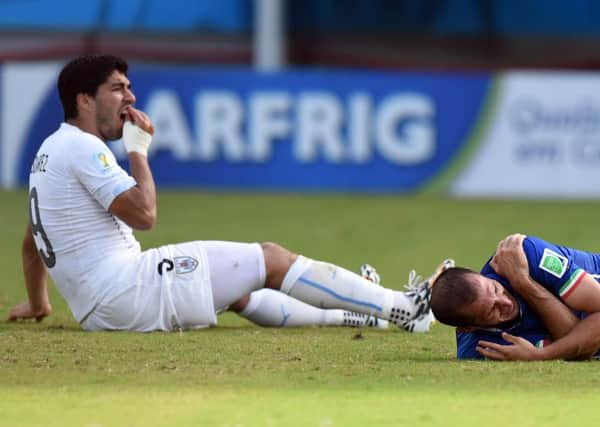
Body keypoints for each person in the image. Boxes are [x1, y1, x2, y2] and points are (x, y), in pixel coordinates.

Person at [9, 54, 447, 333]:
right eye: (118, 88)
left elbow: (33, 243)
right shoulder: (86, 149)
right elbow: (144, 215)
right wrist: (138, 153)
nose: (131, 95)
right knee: (271, 258)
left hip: (101, 307)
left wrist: (38, 302)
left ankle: (357, 314)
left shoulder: (49, 153)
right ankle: (400, 307)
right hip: (127, 292)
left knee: (236, 291)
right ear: (84, 100)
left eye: (129, 85)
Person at [430, 233, 600, 361]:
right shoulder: (483, 347)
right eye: (491, 310)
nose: (505, 302)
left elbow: (580, 347)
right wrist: (525, 284)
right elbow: (579, 347)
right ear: (469, 328)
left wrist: (525, 284)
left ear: (479, 274)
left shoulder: (523, 254)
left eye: (495, 289)